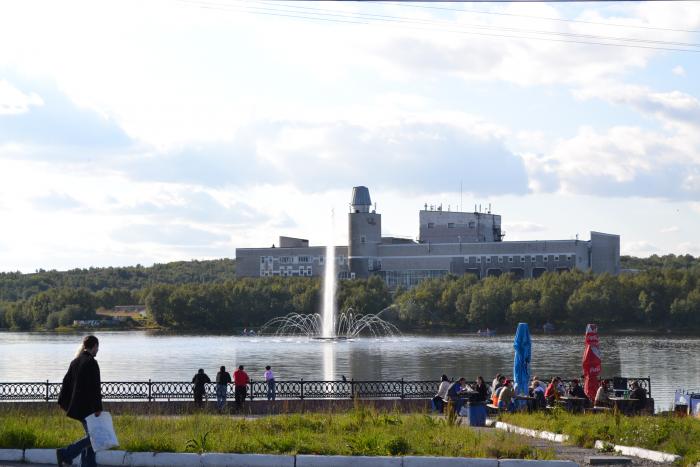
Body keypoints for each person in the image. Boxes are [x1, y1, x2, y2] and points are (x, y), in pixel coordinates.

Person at [56, 335, 103, 467]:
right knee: (94, 437)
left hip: (77, 407)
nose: (98, 350)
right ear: (94, 346)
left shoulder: (75, 362)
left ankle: (88, 464)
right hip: (88, 408)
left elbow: (66, 383)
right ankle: (66, 453)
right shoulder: (91, 362)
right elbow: (95, 388)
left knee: (91, 436)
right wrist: (98, 408)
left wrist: (62, 402)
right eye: (97, 347)